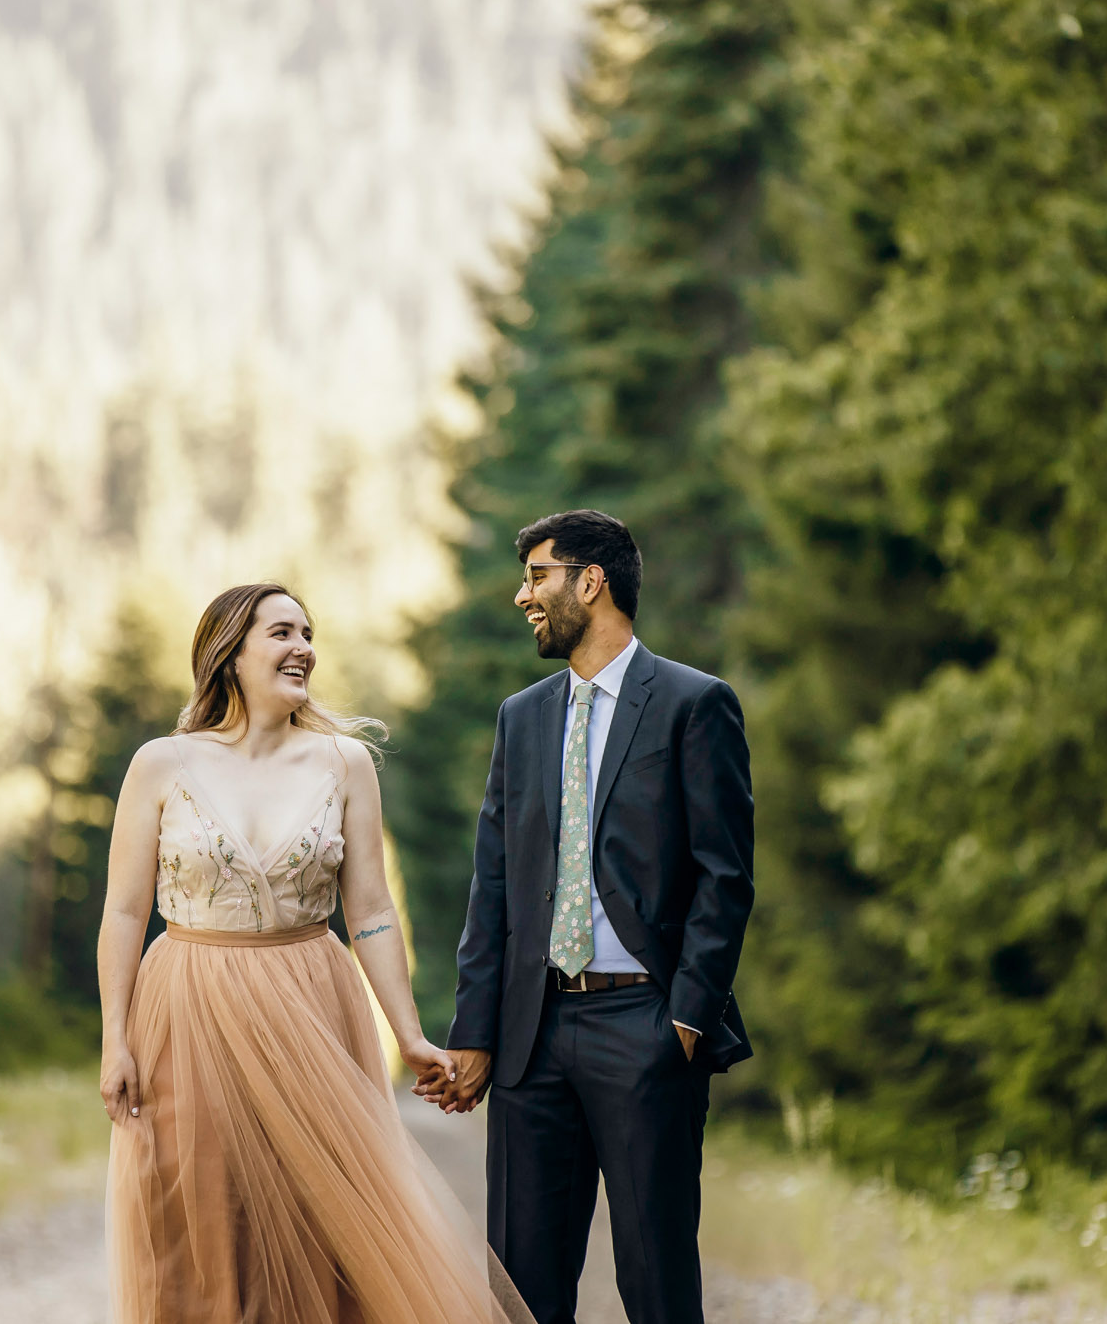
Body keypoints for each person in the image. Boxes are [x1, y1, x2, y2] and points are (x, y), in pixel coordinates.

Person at [96, 582, 531, 1324]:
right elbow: (126, 910)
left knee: (321, 1214)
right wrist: (114, 1037)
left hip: (311, 999)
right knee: (191, 1208)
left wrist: (408, 1031)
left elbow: (371, 913)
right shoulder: (161, 764)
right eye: (281, 633)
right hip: (185, 1005)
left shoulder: (344, 762)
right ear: (229, 653)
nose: (303, 648)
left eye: (308, 633)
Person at [420, 510, 755, 1324]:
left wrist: (683, 1017)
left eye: (537, 576)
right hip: (533, 1039)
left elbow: (725, 875)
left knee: (656, 1283)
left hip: (645, 1024)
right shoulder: (521, 716)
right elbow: (492, 885)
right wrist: (477, 1029)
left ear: (591, 581)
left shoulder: (693, 703)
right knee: (521, 1289)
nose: (522, 595)